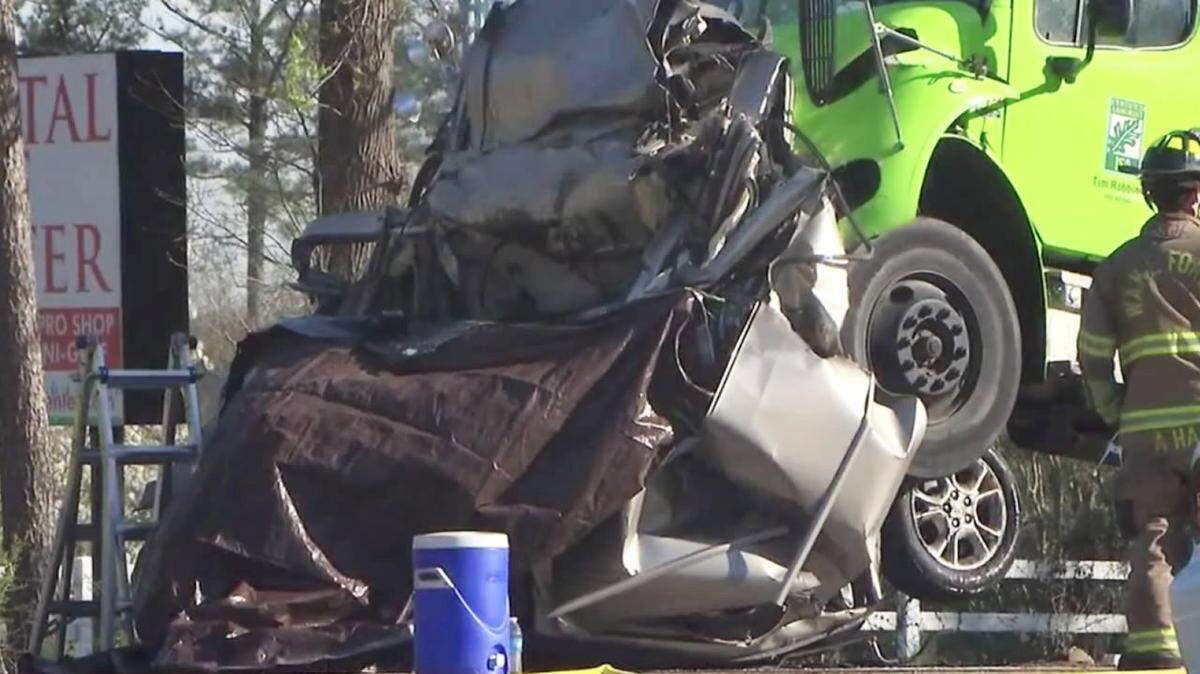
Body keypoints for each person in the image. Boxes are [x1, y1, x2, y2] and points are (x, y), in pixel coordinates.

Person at [1079, 128, 1200, 670]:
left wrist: (1114, 413)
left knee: (1153, 543)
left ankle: (1157, 658)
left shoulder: (1116, 266)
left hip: (1146, 429)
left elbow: (1094, 355)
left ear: (1151, 192)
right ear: (1195, 194)